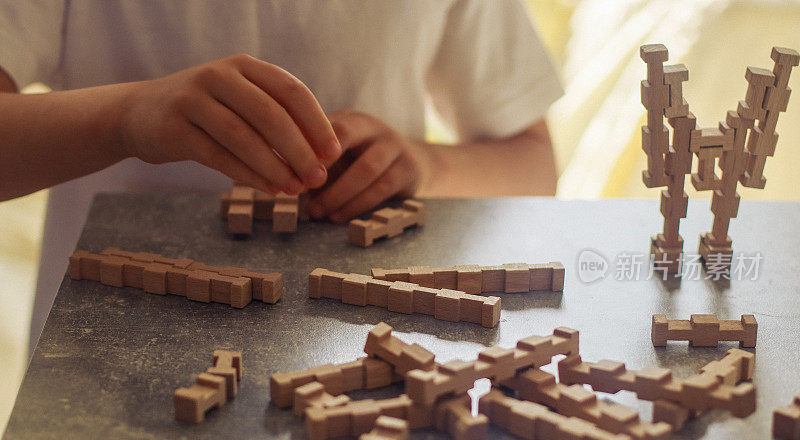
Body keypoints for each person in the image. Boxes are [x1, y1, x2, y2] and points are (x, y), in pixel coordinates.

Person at [0, 0, 563, 353]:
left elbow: (532, 163)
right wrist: (124, 116)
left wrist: (429, 165)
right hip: (99, 355)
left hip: (368, 342)